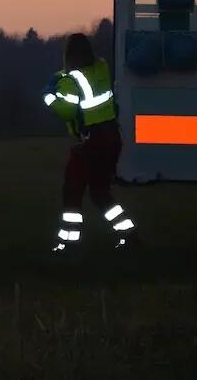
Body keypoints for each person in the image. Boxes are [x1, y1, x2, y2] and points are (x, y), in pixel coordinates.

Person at [43, 33, 139, 252]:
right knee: (100, 191)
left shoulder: (69, 81)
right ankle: (127, 234)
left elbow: (66, 112)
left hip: (89, 142)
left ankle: (68, 242)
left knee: (72, 191)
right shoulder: (102, 68)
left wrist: (49, 95)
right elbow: (82, 78)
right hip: (112, 138)